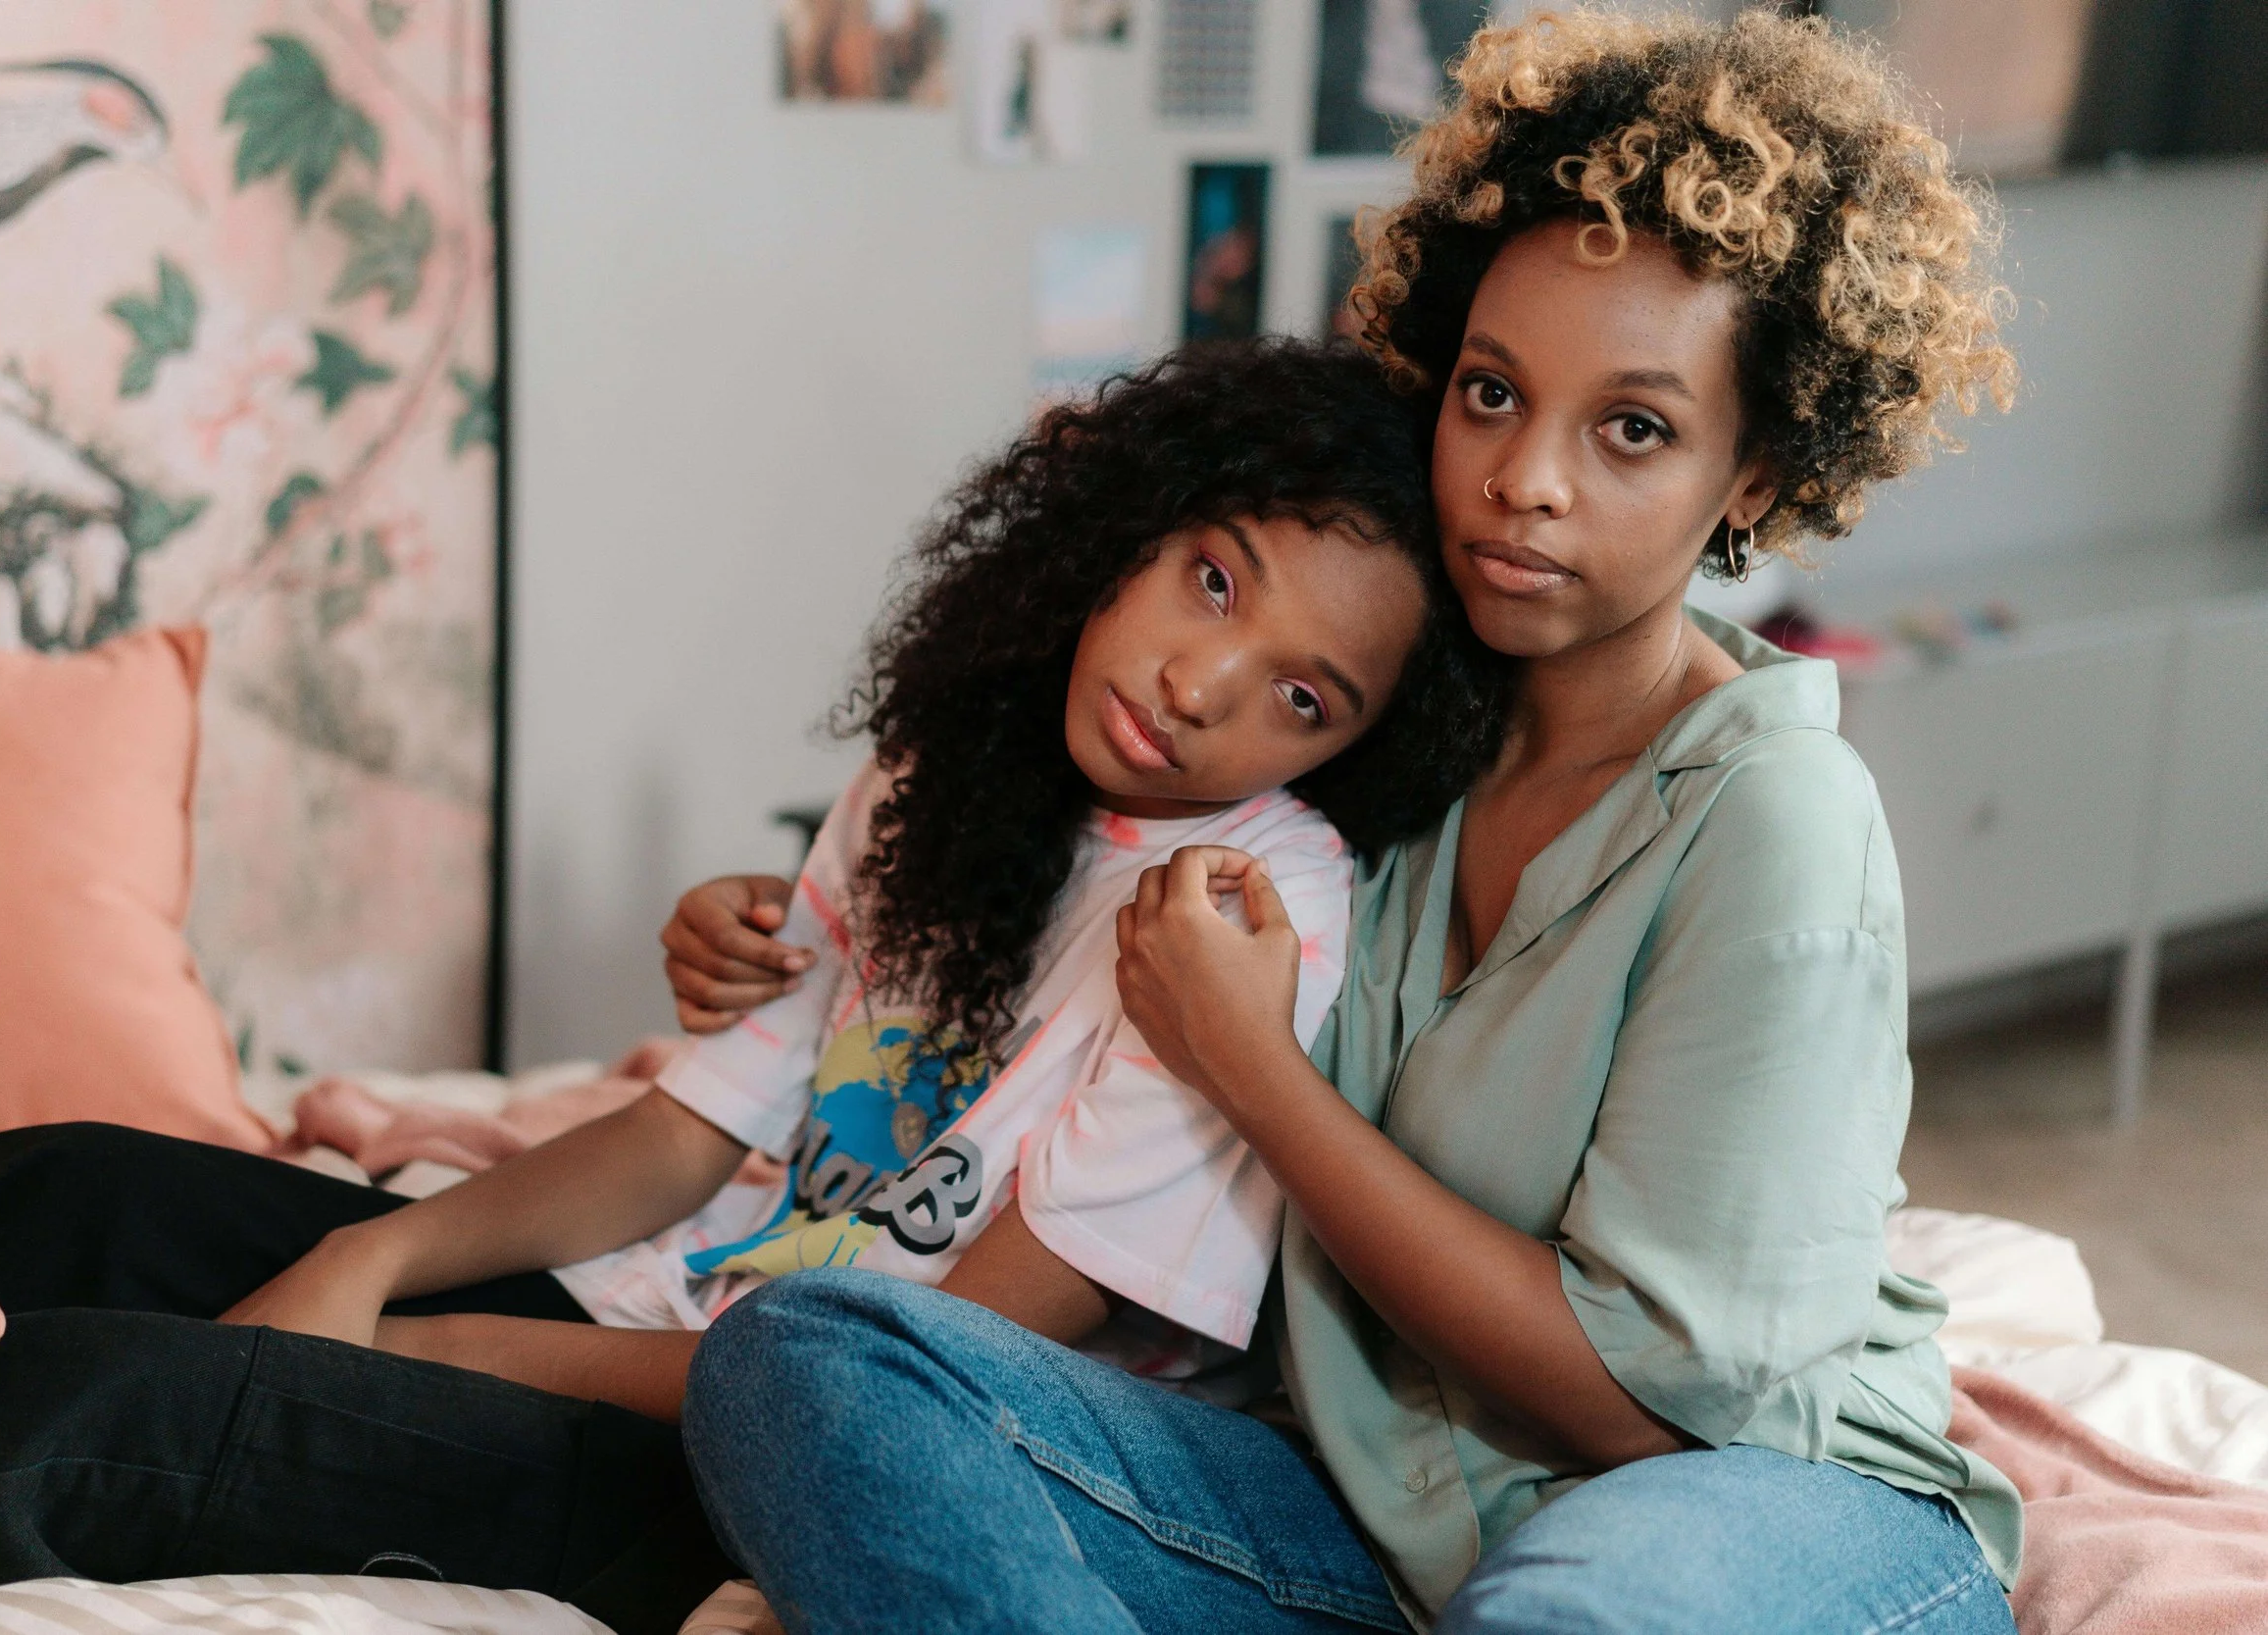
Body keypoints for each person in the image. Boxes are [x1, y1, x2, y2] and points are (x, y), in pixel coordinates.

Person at [661, 12, 2028, 1634]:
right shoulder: (1379, 735)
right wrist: (798, 929)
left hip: (1746, 1503)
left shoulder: (1776, 820)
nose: (1526, 479)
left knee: (1572, 1611)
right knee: (808, 1356)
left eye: (1634, 428)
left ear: (1754, 472)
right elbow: (1060, 883)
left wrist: (1255, 1067)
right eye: (1492, 393)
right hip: (1374, 1515)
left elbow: (1636, 1406)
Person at [0, 340, 1506, 1627]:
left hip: (770, 1460)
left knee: (121, 1410)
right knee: (80, 1183)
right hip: (657, 1313)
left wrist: (428, 1341)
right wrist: (370, 1243)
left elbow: (922, 1374)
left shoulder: (1242, 919)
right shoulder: (957, 774)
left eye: (1304, 696)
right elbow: (694, 1137)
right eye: (1213, 577)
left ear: (1356, 749)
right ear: (1131, 530)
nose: (1205, 683)